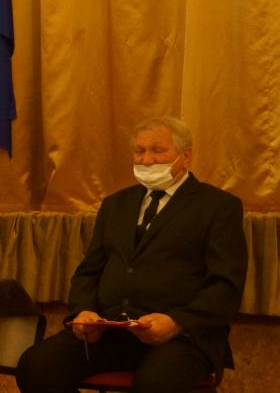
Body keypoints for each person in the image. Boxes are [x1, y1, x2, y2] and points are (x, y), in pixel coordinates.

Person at [17, 117, 247, 393]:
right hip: (109, 334)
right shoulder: (116, 204)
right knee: (36, 366)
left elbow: (226, 286)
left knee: (155, 384)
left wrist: (177, 322)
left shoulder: (218, 207)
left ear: (185, 156)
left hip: (183, 338)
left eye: (158, 150)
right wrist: (83, 311)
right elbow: (89, 271)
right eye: (139, 151)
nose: (146, 160)